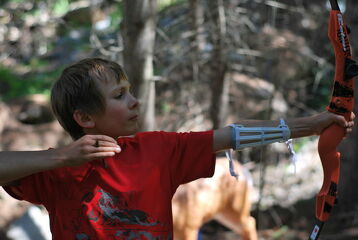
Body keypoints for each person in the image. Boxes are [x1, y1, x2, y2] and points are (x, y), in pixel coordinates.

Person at [0, 58, 354, 240]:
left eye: (132, 91)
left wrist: (312, 124)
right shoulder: (57, 170)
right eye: (120, 96)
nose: (136, 102)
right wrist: (63, 156)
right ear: (85, 117)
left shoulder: (157, 149)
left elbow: (230, 136)